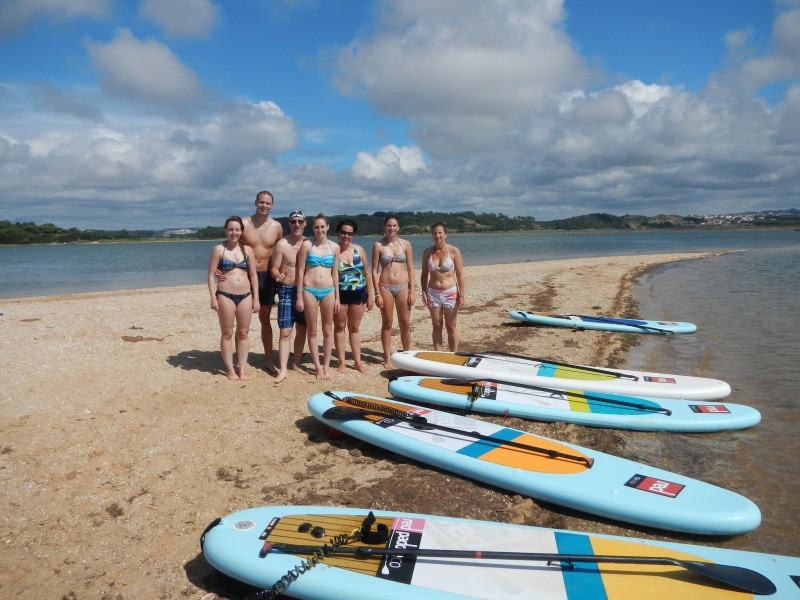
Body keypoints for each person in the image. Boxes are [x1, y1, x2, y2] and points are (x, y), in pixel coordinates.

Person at [207, 216, 260, 380]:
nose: (234, 232)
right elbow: (210, 275)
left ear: (241, 231)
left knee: (243, 333)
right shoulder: (219, 249)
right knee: (227, 333)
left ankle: (242, 369)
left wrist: (256, 297)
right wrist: (212, 297)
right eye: (230, 229)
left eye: (237, 229)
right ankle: (230, 369)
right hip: (225, 295)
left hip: (245, 295)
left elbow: (253, 275)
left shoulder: (248, 250)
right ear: (225, 230)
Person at [242, 191, 283, 374]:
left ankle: (268, 359)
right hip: (245, 274)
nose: (264, 205)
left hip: (267, 275)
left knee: (265, 318)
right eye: (261, 202)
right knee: (243, 318)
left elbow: (282, 250)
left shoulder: (276, 226)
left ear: (272, 205)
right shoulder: (243, 224)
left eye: (268, 203)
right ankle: (242, 360)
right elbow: (230, 245)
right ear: (255, 202)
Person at [295, 214, 340, 380]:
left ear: (327, 227)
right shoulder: (307, 245)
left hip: (329, 290)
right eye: (316, 227)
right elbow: (300, 272)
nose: (319, 230)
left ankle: (326, 366)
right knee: (312, 330)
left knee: (328, 329)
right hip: (309, 290)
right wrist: (299, 296)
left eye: (322, 226)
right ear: (312, 228)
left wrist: (337, 298)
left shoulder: (335, 247)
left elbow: (335, 274)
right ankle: (317, 367)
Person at [269, 210, 308, 384]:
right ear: (289, 224)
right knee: (285, 331)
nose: (297, 224)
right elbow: (274, 268)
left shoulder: (309, 244)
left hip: (306, 291)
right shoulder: (282, 244)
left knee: (302, 328)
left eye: (300, 221)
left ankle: (296, 363)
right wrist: (278, 276)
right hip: (287, 289)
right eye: (293, 221)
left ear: (305, 223)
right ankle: (283, 369)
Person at [372, 214, 415, 368]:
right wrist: (376, 293)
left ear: (398, 227)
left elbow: (410, 268)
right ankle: (387, 358)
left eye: (394, 225)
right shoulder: (379, 245)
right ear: (385, 228)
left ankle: (407, 354)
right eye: (389, 226)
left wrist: (412, 291)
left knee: (405, 322)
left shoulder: (406, 244)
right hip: (385, 287)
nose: (391, 228)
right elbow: (373, 270)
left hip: (403, 285)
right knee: (388, 322)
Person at [333, 219, 373, 373]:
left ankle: (357, 362)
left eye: (349, 233)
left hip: (358, 294)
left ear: (353, 234)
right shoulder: (334, 250)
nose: (346, 236)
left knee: (355, 328)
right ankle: (342, 362)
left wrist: (370, 296)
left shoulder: (359, 250)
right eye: (343, 232)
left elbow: (367, 274)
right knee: (339, 327)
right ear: (338, 233)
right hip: (340, 295)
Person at [420, 221, 465, 351]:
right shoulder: (427, 252)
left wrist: (461, 295)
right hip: (433, 293)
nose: (437, 236)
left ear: (446, 234)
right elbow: (424, 274)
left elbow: (461, 275)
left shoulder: (454, 251)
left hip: (450, 292)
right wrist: (423, 291)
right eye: (435, 233)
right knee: (437, 325)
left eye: (440, 233)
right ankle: (438, 355)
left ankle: (453, 354)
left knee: (451, 326)